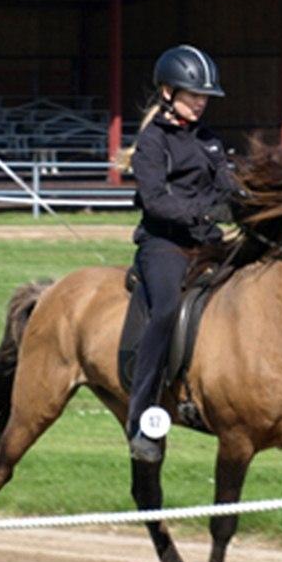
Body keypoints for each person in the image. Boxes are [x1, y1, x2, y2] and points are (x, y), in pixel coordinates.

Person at [119, 45, 235, 463]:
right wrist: (203, 211)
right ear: (168, 91)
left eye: (204, 97)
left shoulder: (210, 142)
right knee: (166, 308)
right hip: (163, 243)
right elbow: (155, 201)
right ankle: (141, 418)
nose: (200, 103)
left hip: (207, 240)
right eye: (193, 95)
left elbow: (227, 186)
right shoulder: (153, 142)